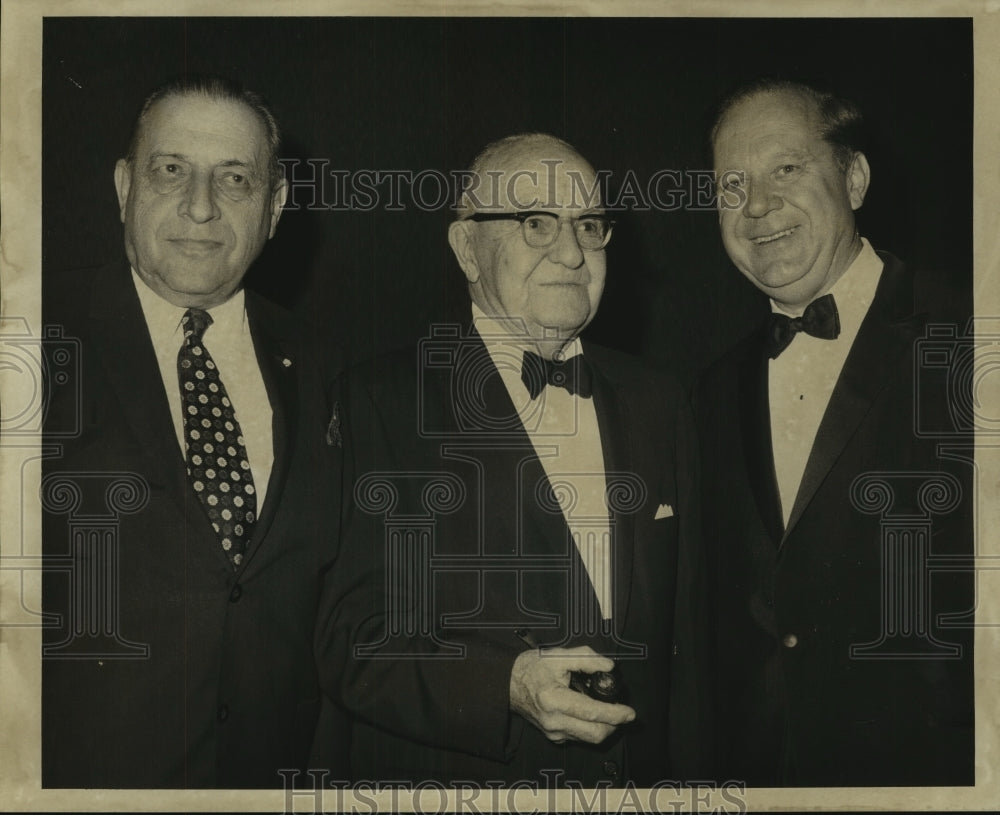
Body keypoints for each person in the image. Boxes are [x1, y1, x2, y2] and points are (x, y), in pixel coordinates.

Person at [316, 133, 710, 787]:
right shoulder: (380, 400)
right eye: (535, 222)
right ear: (467, 247)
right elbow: (350, 639)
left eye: (589, 224)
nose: (571, 251)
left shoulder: (660, 400)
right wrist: (502, 683)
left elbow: (692, 652)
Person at [41, 76, 347, 788]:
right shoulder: (29, 334)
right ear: (124, 186)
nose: (200, 206)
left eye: (234, 179)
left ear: (274, 208)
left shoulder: (323, 364)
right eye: (170, 170)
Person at [695, 79, 974, 787]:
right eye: (732, 184)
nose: (757, 205)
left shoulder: (973, 334)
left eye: (786, 168)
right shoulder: (705, 395)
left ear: (854, 177)